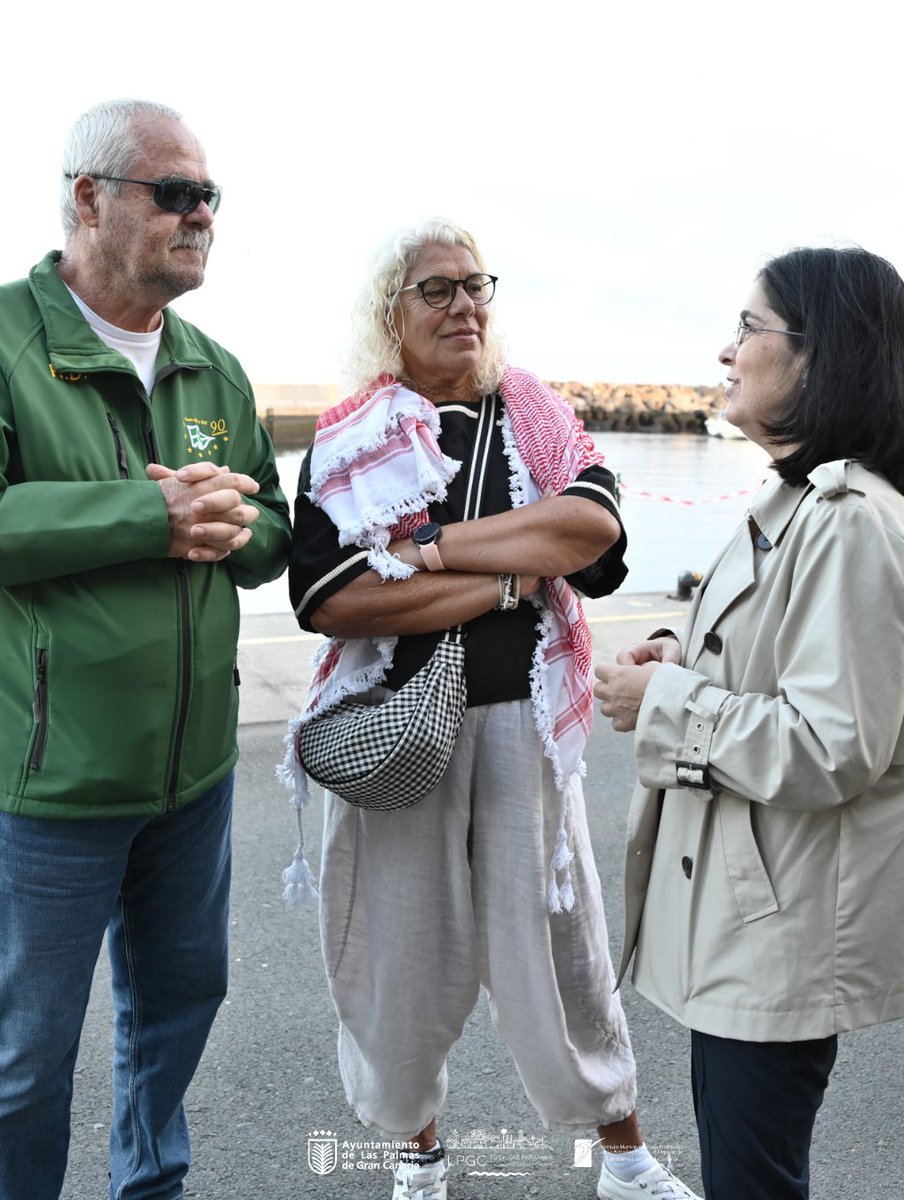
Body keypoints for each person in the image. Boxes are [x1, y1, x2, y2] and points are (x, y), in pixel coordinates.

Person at [285, 219, 700, 1200]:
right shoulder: (354, 433)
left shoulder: (536, 416)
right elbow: (330, 598)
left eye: (478, 286)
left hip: (521, 719)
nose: (466, 305)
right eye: (438, 290)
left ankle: (627, 1161)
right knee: (399, 956)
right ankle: (419, 1155)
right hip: (394, 730)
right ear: (392, 311)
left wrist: (431, 549)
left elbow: (592, 532)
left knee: (563, 949)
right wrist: (512, 579)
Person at [594, 246, 904, 1200]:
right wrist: (682, 650)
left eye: (750, 329)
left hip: (782, 925)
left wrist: (663, 705)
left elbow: (831, 744)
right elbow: (784, 659)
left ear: (819, 356)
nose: (728, 351)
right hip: (761, 916)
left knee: (752, 1181)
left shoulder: (851, 521)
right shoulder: (802, 503)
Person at [0, 99, 291, 1200]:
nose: (201, 215)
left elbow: (270, 535)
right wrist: (149, 516)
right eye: (176, 193)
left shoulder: (216, 369)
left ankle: (148, 1189)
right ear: (89, 197)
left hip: (193, 781)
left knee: (177, 1009)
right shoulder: (6, 342)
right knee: (25, 1056)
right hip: (46, 788)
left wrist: (230, 525)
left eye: (210, 197)